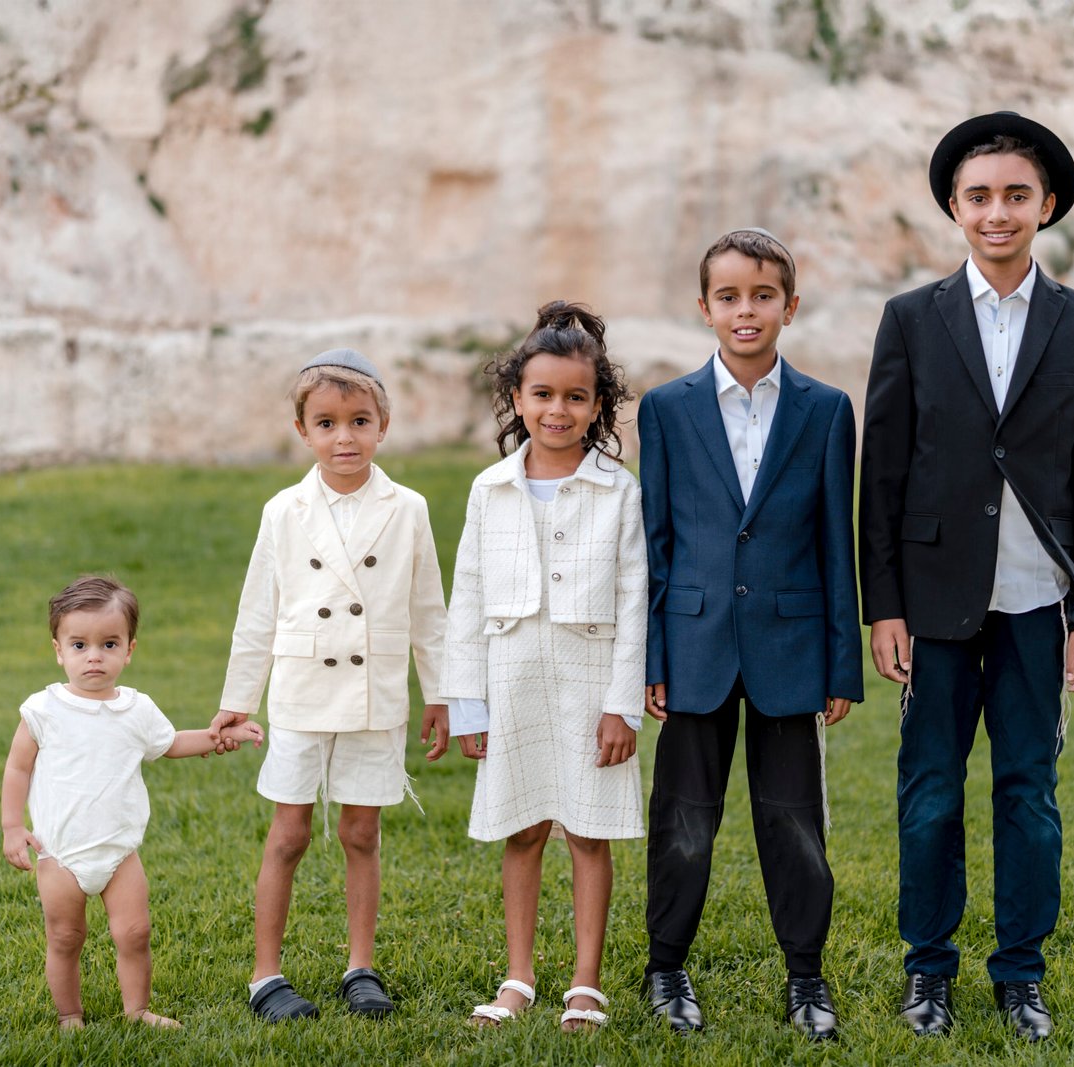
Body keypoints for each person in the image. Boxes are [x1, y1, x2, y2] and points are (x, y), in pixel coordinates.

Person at [858, 112, 1074, 1042]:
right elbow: (882, 473)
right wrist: (882, 603)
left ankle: (1021, 972)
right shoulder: (910, 319)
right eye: (979, 196)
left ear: (1046, 204)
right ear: (953, 207)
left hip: (1036, 603)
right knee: (929, 787)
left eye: (1017, 194)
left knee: (1029, 790)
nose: (998, 212)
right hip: (933, 601)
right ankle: (927, 970)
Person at [637, 228, 863, 1041]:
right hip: (694, 648)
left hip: (790, 647)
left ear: (789, 307)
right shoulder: (663, 410)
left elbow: (837, 540)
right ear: (704, 308)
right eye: (728, 296)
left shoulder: (828, 410)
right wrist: (653, 657)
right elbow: (655, 542)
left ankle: (807, 977)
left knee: (794, 820)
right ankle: (665, 968)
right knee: (684, 819)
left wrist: (841, 659)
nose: (745, 310)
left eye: (762, 295)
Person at [208, 349, 449, 1022]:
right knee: (288, 833)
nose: (344, 437)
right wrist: (237, 698)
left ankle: (360, 967)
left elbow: (430, 608)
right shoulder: (284, 511)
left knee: (361, 831)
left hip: (374, 695)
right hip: (300, 693)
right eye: (327, 423)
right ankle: (266, 974)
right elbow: (257, 610)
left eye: (359, 420)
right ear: (302, 430)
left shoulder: (408, 508)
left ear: (384, 425)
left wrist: (441, 692)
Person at [441, 301, 646, 1032]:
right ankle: (519, 973)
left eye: (575, 396)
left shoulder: (618, 491)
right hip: (513, 677)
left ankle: (585, 980)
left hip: (592, 679)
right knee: (522, 828)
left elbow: (634, 599)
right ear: (517, 398)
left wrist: (622, 703)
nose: (557, 409)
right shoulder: (488, 488)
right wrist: (465, 702)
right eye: (542, 394)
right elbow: (465, 594)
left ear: (597, 406)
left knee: (588, 831)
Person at [0, 575, 263, 1030]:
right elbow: (17, 769)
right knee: (66, 937)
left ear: (129, 650)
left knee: (135, 934)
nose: (94, 656)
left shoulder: (136, 709)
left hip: (120, 852)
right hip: (59, 852)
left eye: (109, 644)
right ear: (58, 651)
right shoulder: (43, 710)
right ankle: (69, 1014)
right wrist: (11, 826)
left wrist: (217, 736)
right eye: (79, 645)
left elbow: (171, 742)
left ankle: (137, 1009)